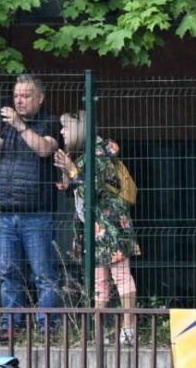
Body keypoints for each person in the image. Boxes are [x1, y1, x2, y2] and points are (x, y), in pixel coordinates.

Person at [0, 75, 62, 337]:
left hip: (36, 214)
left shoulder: (50, 123)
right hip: (6, 212)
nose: (19, 101)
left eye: (26, 96)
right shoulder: (6, 127)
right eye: (16, 96)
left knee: (43, 273)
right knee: (7, 272)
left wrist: (19, 126)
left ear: (40, 98)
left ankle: (48, 326)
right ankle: (10, 325)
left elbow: (44, 149)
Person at [54, 112, 142, 345]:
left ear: (79, 130)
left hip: (111, 226)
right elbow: (79, 190)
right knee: (99, 280)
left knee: (120, 276)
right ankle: (98, 332)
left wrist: (73, 171)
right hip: (95, 228)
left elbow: (92, 193)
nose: (62, 132)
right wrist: (68, 175)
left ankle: (128, 328)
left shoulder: (98, 155)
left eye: (66, 127)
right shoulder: (84, 155)